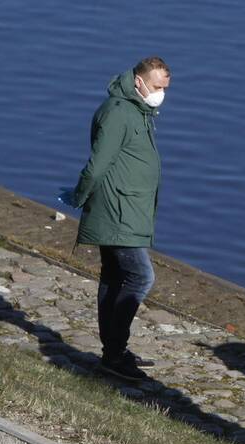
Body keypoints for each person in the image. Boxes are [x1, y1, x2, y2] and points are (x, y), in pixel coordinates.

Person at [65, 57, 171, 382]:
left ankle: (114, 352)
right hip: (117, 210)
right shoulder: (119, 112)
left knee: (113, 276)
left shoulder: (138, 110)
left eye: (165, 88)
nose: (161, 94)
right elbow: (97, 165)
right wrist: (79, 197)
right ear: (138, 82)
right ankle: (114, 352)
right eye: (156, 87)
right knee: (141, 277)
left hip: (127, 208)